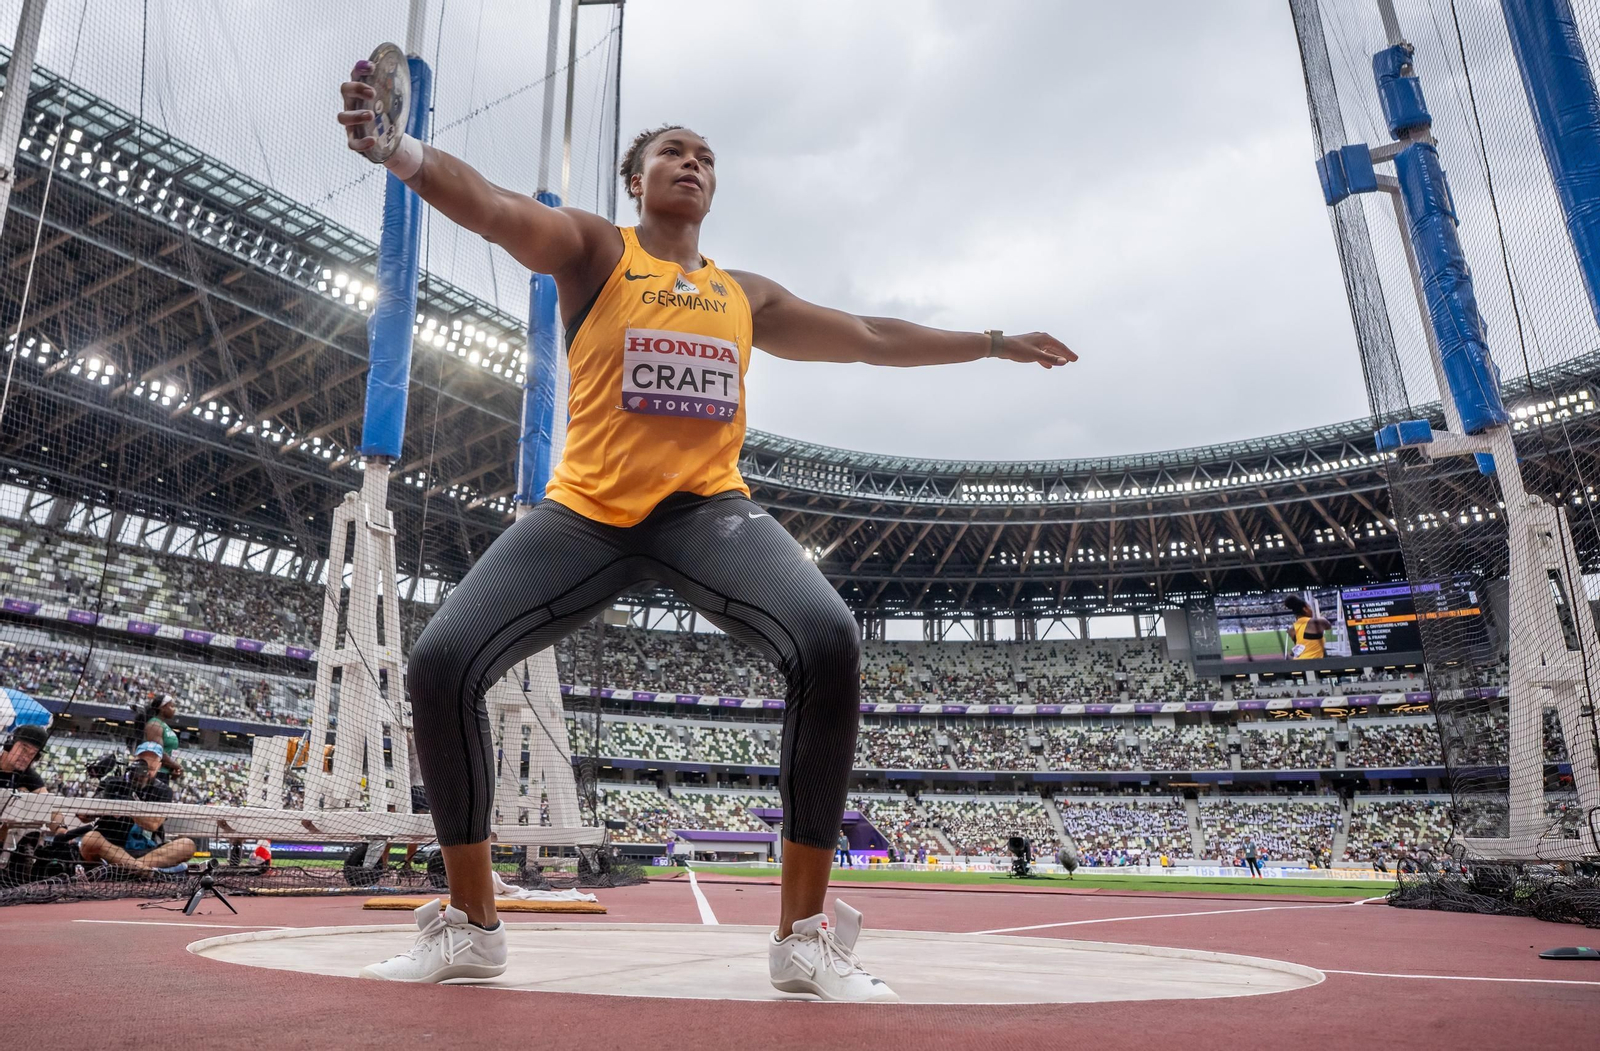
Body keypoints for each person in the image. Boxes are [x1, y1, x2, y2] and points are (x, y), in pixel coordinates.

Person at [339, 65, 1074, 1000]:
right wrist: (396, 149)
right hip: (585, 513)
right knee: (442, 660)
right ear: (634, 182)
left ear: (713, 190)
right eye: (671, 152)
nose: (692, 162)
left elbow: (867, 335)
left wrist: (990, 340)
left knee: (827, 637)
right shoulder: (595, 252)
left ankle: (804, 938)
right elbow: (488, 205)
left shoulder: (743, 294)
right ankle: (470, 927)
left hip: (709, 512)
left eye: (705, 157)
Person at [77, 743, 196, 874]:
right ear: (134, 761)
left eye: (150, 768)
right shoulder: (112, 782)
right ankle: (140, 870)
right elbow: (83, 816)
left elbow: (153, 824)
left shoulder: (163, 790)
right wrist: (102, 804)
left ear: (159, 766)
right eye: (143, 765)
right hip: (110, 848)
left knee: (187, 845)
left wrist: (127, 804)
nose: (145, 772)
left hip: (147, 852)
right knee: (90, 839)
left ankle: (126, 870)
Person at [138, 697, 184, 783]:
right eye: (172, 706)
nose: (174, 710)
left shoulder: (163, 725)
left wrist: (172, 768)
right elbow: (158, 752)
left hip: (164, 772)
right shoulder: (154, 724)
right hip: (155, 773)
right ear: (162, 708)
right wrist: (177, 766)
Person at [0, 723, 50, 794]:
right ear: (9, 745)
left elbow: (46, 800)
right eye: (24, 750)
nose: (26, 758)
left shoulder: (28, 776)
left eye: (33, 754)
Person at [1283, 596, 1331, 661]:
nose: (1311, 610)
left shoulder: (1292, 629)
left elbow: (1300, 646)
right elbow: (1328, 626)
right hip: (1315, 663)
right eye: (1309, 607)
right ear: (1305, 609)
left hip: (1300, 664)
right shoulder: (1318, 622)